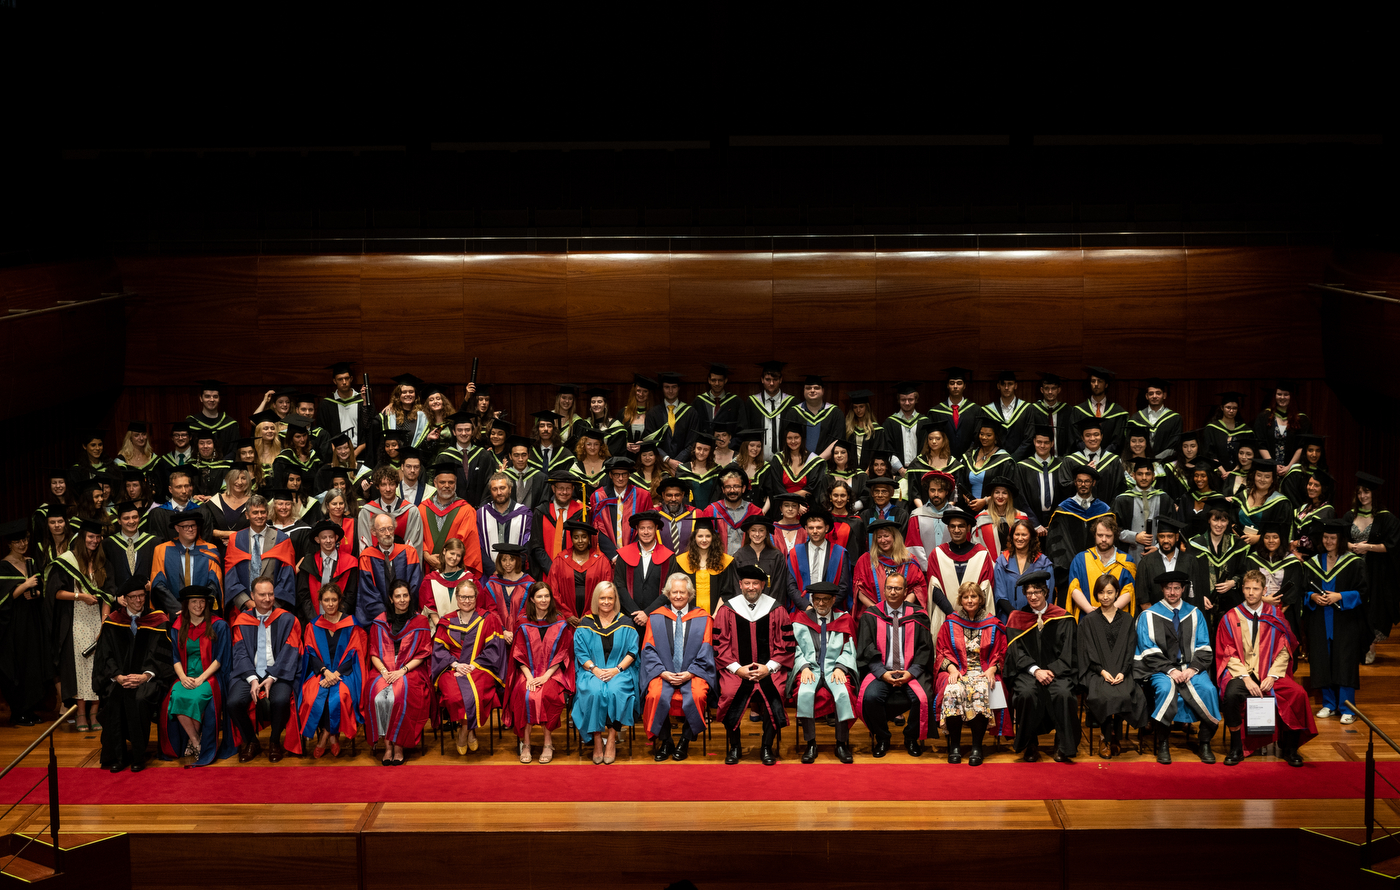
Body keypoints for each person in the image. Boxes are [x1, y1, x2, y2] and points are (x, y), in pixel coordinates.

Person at [1214, 570, 1316, 767]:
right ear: (1242, 589)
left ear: (1264, 590)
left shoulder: (1275, 615)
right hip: (1241, 674)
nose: (1251, 593)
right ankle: (1236, 747)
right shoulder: (1230, 617)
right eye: (1247, 588)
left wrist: (1272, 675)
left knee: (1298, 693)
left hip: (1270, 673)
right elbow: (1228, 651)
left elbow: (1285, 648)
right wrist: (1245, 678)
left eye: (1256, 589)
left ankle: (1290, 748)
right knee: (1232, 694)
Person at [1134, 570, 1222, 764]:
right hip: (1161, 670)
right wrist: (1171, 670)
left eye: (1176, 588)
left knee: (1208, 689)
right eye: (1168, 588)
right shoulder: (1148, 615)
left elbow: (1204, 646)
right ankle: (1163, 743)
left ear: (1183, 589)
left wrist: (1192, 669)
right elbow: (1147, 649)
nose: (1172, 592)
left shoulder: (1195, 613)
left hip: (1191, 667)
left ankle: (1205, 742)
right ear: (1162, 589)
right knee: (1165, 688)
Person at [713, 564, 793, 765]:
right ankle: (735, 746)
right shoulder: (727, 609)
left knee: (775, 691)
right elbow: (720, 645)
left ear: (763, 585)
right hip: (736, 671)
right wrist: (737, 669)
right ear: (740, 584)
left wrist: (769, 668)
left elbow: (786, 645)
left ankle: (766, 746)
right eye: (747, 583)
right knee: (730, 694)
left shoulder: (777, 609)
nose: (751, 587)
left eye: (755, 583)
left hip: (769, 670)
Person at [93, 580, 172, 772]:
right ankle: (117, 757)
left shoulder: (157, 620)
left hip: (148, 679)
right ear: (124, 600)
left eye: (141, 596)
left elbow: (162, 654)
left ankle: (138, 756)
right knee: (114, 699)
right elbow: (105, 655)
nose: (138, 600)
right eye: (133, 597)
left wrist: (145, 676)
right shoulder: (113, 621)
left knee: (139, 699)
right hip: (119, 679)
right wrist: (117, 676)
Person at [854, 572, 934, 757]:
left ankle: (911, 738)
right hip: (881, 671)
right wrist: (882, 673)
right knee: (870, 697)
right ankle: (883, 738)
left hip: (911, 671)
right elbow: (866, 648)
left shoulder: (918, 615)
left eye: (897, 588)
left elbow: (925, 649)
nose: (893, 592)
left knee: (924, 698)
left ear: (905, 591)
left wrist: (912, 672)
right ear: (884, 590)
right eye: (889, 588)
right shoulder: (871, 616)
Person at [47, 519, 114, 731]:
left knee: (97, 667)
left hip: (97, 620)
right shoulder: (69, 561)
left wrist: (105, 621)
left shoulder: (104, 562)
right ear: (82, 538)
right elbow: (55, 593)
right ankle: (81, 714)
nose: (94, 540)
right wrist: (80, 596)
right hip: (75, 622)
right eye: (90, 537)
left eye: (97, 537)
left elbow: (109, 594)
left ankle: (95, 713)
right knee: (78, 668)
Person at [1004, 571, 1079, 762]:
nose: (1033, 596)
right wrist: (1035, 670)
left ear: (1046, 592)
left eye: (1037, 591)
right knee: (1026, 693)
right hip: (1028, 673)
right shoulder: (1017, 618)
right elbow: (1015, 654)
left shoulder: (1063, 618)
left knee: (1063, 693)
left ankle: (1062, 744)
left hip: (1058, 672)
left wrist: (1051, 671)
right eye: (1029, 593)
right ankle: (1030, 744)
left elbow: (1068, 652)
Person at [640, 573, 716, 761]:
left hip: (693, 673)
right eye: (674, 592)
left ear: (690, 594)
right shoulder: (656, 617)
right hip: (663, 672)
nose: (678, 596)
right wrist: (663, 672)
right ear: (668, 593)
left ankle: (684, 740)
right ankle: (666, 741)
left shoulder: (703, 618)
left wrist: (690, 673)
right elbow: (648, 650)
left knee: (698, 694)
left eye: (682, 592)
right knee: (654, 695)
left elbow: (706, 650)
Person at [228, 578, 304, 762]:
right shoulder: (242, 620)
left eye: (270, 594)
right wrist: (252, 679)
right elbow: (239, 652)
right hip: (249, 672)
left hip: (278, 672)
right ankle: (251, 741)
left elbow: (291, 649)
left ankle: (274, 741)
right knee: (233, 702)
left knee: (280, 700)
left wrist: (273, 676)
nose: (267, 598)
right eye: (262, 594)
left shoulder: (287, 619)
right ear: (252, 596)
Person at [933, 581, 1008, 766]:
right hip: (957, 670)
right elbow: (941, 651)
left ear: (981, 599)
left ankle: (977, 746)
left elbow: (1002, 652)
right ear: (960, 600)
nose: (970, 600)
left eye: (973, 596)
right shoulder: (951, 622)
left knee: (982, 690)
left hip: (983, 672)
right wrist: (951, 668)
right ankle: (956, 746)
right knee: (952, 690)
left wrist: (992, 668)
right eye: (965, 597)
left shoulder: (993, 624)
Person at [159, 585, 235, 766]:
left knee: (195, 698)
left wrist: (202, 679)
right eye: (194, 602)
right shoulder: (177, 627)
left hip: (209, 676)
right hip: (186, 675)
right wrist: (183, 678)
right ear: (186, 604)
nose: (199, 605)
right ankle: (196, 741)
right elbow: (175, 658)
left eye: (202, 601)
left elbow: (220, 659)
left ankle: (195, 744)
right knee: (175, 696)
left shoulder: (219, 625)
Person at [431, 578, 506, 755]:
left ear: (476, 597)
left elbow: (494, 650)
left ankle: (464, 732)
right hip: (451, 668)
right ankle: (470, 731)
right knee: (454, 697)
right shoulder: (446, 621)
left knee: (475, 695)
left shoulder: (488, 620)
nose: (466, 601)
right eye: (463, 597)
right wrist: (455, 664)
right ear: (456, 598)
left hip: (480, 668)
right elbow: (439, 650)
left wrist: (473, 666)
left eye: (470, 597)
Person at [1305, 518, 1369, 725]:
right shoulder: (1314, 562)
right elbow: (1303, 590)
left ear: (1340, 539)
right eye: (1325, 537)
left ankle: (1347, 707)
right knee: (1323, 660)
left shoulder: (1354, 562)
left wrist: (1339, 596)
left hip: (1345, 621)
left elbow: (1364, 592)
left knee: (1345, 661)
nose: (1328, 541)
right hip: (1319, 621)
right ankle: (1329, 704)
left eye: (1333, 538)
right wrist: (1312, 597)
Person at [1077, 574, 1148, 758]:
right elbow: (1086, 653)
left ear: (1117, 593)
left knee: (1125, 693)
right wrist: (1102, 671)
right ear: (1096, 594)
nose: (1105, 597)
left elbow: (1130, 650)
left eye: (1110, 592)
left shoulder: (1127, 619)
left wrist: (1123, 673)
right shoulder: (1089, 621)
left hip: (1123, 671)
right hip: (1097, 672)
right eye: (1101, 592)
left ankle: (1114, 735)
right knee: (1105, 695)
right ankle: (1105, 737)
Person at [787, 581, 857, 764]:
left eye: (826, 600)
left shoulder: (844, 619)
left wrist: (841, 667)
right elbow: (794, 649)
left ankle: (841, 744)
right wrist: (803, 667)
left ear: (833, 600)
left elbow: (850, 649)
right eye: (817, 599)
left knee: (842, 693)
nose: (821, 604)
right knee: (805, 692)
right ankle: (811, 744)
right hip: (812, 668)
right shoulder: (800, 620)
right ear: (812, 599)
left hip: (835, 668)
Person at [505, 581, 574, 763]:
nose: (543, 600)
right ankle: (526, 743)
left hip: (552, 673)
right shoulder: (522, 622)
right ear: (532, 599)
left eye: (546, 596)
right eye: (539, 596)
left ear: (551, 598)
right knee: (524, 694)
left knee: (547, 695)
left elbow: (563, 654)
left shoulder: (560, 622)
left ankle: (547, 742)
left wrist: (544, 676)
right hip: (527, 672)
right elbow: (518, 653)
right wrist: (529, 677)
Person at [573, 581, 640, 765]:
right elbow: (580, 653)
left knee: (615, 691)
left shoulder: (626, 622)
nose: (606, 602)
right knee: (594, 691)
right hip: (592, 671)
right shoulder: (586, 623)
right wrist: (594, 669)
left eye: (610, 598)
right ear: (596, 599)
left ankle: (611, 737)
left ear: (615, 600)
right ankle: (596, 739)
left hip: (619, 671)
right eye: (602, 598)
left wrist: (616, 670)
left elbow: (632, 652)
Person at [366, 579, 431, 765]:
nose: (402, 600)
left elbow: (423, 653)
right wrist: (385, 671)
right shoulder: (380, 622)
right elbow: (373, 653)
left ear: (410, 597)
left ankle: (399, 744)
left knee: (398, 696)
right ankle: (387, 745)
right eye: (398, 596)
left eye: (405, 595)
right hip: (383, 668)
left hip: (410, 669)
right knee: (377, 697)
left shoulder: (420, 621)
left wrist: (402, 671)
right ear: (391, 598)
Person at [296, 582, 365, 759]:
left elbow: (354, 654)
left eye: (334, 600)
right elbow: (310, 653)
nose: (330, 604)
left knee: (339, 696)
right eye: (326, 600)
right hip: (321, 672)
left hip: (345, 673)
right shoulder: (314, 625)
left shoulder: (351, 624)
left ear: (340, 600)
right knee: (312, 696)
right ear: (320, 601)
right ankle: (333, 736)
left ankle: (325, 736)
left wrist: (336, 674)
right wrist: (326, 672)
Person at [0, 521, 51, 726]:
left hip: (33, 619)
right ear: (9, 544)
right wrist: (25, 586)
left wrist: (36, 591)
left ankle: (29, 709)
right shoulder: (3, 565)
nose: (22, 544)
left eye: (25, 540)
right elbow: (5, 596)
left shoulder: (30, 561)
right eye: (17, 541)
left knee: (33, 663)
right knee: (18, 665)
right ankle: (17, 711)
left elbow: (39, 588)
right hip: (14, 623)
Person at [1344, 473, 1398, 658]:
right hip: (1351, 570)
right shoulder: (1350, 515)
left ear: (1373, 494)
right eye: (1359, 492)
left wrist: (1368, 547)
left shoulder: (1386, 518)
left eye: (1366, 492)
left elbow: (1392, 546)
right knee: (1353, 605)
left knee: (1373, 607)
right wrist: (1351, 546)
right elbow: (1340, 539)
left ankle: (1370, 646)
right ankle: (1354, 644)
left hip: (1375, 571)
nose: (1362, 496)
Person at [225, 496, 297, 613]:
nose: (259, 516)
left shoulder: (282, 540)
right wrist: (247, 603)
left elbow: (287, 578)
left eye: (263, 512)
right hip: (243, 609)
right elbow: (231, 577)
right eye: (255, 512)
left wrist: (270, 605)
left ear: (267, 514)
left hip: (274, 608)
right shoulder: (236, 540)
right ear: (247, 515)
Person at [922, 508, 989, 621]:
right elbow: (934, 588)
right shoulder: (937, 554)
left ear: (968, 528)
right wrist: (951, 613)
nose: (956, 530)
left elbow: (985, 588)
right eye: (952, 526)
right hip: (944, 615)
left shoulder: (981, 554)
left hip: (974, 617)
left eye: (961, 526)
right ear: (948, 528)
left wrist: (969, 613)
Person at [357, 512, 424, 625]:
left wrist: (402, 611)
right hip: (380, 619)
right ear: (374, 532)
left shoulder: (409, 552)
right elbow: (368, 591)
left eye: (390, 528)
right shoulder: (366, 557)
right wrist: (385, 615)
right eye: (382, 530)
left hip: (406, 616)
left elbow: (415, 585)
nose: (387, 533)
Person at [1189, 497, 1249, 623]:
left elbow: (1246, 573)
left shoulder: (1237, 545)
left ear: (1228, 522)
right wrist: (1200, 597)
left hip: (1230, 605)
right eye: (1215, 520)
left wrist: (1233, 582)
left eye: (1223, 520)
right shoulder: (1195, 545)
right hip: (1203, 605)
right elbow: (1190, 576)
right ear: (1209, 520)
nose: (1219, 525)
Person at [1064, 516, 1136, 619]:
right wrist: (1091, 611)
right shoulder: (1081, 559)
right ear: (1094, 535)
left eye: (1108, 536)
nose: (1103, 539)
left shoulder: (1126, 561)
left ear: (1114, 536)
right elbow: (1074, 588)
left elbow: (1129, 590)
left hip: (1116, 618)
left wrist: (1109, 612)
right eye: (1100, 535)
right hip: (1086, 618)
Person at [419, 462, 483, 576]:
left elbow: (468, 543)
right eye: (442, 482)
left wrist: (447, 562)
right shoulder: (422, 508)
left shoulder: (466, 510)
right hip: (427, 570)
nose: (447, 486)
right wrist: (426, 555)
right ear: (435, 483)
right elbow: (417, 537)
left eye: (451, 482)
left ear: (456, 483)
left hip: (456, 572)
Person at [854, 518, 928, 616]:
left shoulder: (908, 560)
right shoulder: (865, 560)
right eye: (879, 537)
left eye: (886, 536)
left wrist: (902, 609)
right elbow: (859, 590)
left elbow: (917, 588)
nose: (883, 540)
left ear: (894, 537)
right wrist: (878, 611)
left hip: (905, 615)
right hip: (874, 616)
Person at [613, 511, 675, 627]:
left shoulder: (668, 557)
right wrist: (636, 615)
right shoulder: (624, 554)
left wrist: (647, 613)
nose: (646, 532)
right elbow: (619, 585)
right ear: (637, 529)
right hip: (629, 618)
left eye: (650, 528)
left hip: (658, 618)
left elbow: (670, 589)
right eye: (642, 528)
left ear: (656, 528)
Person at [782, 508, 850, 613]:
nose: (815, 531)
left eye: (819, 528)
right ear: (806, 528)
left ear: (826, 528)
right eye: (811, 528)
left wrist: (826, 607)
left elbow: (843, 586)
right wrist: (806, 606)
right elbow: (791, 586)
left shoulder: (839, 553)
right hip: (802, 610)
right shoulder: (795, 553)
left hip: (831, 611)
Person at [1136, 517, 1209, 613]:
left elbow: (1196, 596)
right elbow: (1143, 599)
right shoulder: (1146, 562)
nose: (1166, 540)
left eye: (1170, 536)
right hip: (1156, 619)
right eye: (1162, 536)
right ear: (1158, 537)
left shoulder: (1190, 561)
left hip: (1184, 617)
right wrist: (1159, 618)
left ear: (1177, 537)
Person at [544, 521, 613, 622]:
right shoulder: (560, 560)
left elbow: (606, 590)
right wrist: (567, 614)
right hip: (565, 617)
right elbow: (553, 589)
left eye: (584, 537)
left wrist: (590, 614)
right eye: (576, 537)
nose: (580, 541)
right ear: (571, 539)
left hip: (595, 616)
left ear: (589, 538)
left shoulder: (601, 561)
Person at [665, 516, 734, 614]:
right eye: (700, 536)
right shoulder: (681, 561)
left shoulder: (725, 561)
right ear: (694, 538)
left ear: (713, 537)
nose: (704, 540)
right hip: (688, 615)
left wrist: (716, 615)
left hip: (716, 614)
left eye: (708, 536)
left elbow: (727, 592)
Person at [1112, 458, 1176, 564]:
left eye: (1148, 474)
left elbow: (1172, 530)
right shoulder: (1122, 500)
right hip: (1129, 555)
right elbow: (1113, 530)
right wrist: (1135, 537)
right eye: (1140, 474)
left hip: (1159, 555)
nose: (1144, 478)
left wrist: (1158, 547)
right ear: (1133, 475)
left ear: (1153, 476)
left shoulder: (1165, 499)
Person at [297, 519, 359, 628]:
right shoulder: (308, 562)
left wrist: (337, 618)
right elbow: (303, 594)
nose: (328, 540)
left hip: (341, 621)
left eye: (331, 537)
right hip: (312, 620)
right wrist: (313, 620)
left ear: (336, 538)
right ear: (317, 540)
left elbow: (351, 594)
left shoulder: (350, 562)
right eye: (324, 537)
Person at [590, 456, 653, 560]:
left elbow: (648, 526)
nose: (620, 478)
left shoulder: (642, 496)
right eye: (616, 474)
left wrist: (631, 552)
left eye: (624, 474)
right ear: (610, 475)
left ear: (629, 475)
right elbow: (596, 529)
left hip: (636, 555)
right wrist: (613, 556)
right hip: (606, 557)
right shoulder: (598, 497)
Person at [992, 519, 1056, 621]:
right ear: (1012, 537)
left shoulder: (1043, 563)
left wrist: (1028, 617)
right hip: (1008, 620)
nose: (1020, 538)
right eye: (1017, 534)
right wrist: (1015, 616)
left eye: (1024, 535)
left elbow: (1047, 595)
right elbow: (1000, 595)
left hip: (1036, 619)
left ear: (1031, 537)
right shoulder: (1002, 562)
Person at [529, 471, 587, 575]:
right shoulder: (541, 511)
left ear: (573, 489)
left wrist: (570, 571)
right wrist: (552, 570)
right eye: (560, 488)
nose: (564, 492)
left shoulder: (582, 512)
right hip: (546, 572)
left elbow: (585, 544)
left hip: (574, 573)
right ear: (553, 488)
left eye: (568, 488)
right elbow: (536, 545)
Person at [356, 465, 424, 553]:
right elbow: (365, 546)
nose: (388, 489)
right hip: (376, 563)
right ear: (377, 486)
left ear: (396, 485)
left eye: (391, 484)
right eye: (383, 485)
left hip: (404, 563)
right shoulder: (367, 512)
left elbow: (414, 546)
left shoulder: (411, 511)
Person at [696, 466, 764, 555]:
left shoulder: (755, 512)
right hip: (718, 562)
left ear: (743, 488)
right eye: (728, 487)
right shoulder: (711, 511)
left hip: (747, 563)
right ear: (723, 490)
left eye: (736, 486)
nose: (732, 490)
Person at [477, 472, 533, 576]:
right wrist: (493, 569)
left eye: (502, 488)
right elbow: (478, 546)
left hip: (517, 574)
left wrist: (514, 568)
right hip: (490, 575)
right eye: (495, 489)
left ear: (510, 489)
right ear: (490, 491)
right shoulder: (481, 514)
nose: (499, 492)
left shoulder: (525, 514)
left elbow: (527, 546)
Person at [1014, 424, 1067, 536]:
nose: (1042, 445)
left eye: (1046, 442)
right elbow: (1020, 497)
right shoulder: (1022, 467)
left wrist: (1056, 520)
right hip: (1031, 522)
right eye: (1039, 442)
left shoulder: (1062, 465)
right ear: (1034, 442)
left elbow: (1066, 495)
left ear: (1052, 443)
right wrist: (1035, 523)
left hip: (1057, 521)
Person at [1059, 416, 1126, 503]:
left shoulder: (1113, 461)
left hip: (1106, 512)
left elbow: (1119, 489)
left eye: (1096, 434)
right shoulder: (1070, 461)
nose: (1092, 438)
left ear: (1101, 436)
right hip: (1078, 512)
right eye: (1088, 435)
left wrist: (1110, 512)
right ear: (1082, 438)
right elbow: (1064, 488)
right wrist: (1083, 474)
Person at [1251, 380, 1311, 475]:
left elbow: (1302, 445)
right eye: (1279, 394)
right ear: (1275, 395)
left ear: (1291, 396)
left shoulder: (1302, 419)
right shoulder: (1264, 417)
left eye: (1286, 394)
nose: (1282, 397)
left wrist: (1289, 467)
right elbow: (1260, 443)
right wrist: (1273, 464)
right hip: (1268, 470)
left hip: (1293, 470)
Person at [417, 537, 478, 629]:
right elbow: (429, 607)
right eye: (452, 553)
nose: (454, 558)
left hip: (466, 630)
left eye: (458, 555)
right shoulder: (431, 580)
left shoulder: (470, 579)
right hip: (438, 630)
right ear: (444, 551)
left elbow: (478, 607)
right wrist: (440, 627)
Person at [742, 360, 797, 461]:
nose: (771, 383)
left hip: (785, 460)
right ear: (762, 380)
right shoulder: (752, 403)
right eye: (768, 379)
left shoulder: (791, 403)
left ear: (781, 380)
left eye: (775, 379)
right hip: (757, 460)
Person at [955, 417, 1014, 512]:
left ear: (996, 437)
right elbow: (961, 482)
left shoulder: (1004, 460)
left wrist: (985, 501)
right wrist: (965, 497)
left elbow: (1008, 489)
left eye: (989, 435)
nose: (984, 438)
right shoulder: (970, 455)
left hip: (993, 511)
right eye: (981, 434)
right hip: (968, 508)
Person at [765, 422, 828, 508]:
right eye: (789, 438)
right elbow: (777, 486)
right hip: (783, 506)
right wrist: (793, 503)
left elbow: (812, 488)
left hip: (806, 506)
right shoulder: (778, 460)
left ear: (802, 438)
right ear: (785, 440)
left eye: (796, 437)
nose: (793, 441)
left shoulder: (813, 461)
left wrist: (797, 503)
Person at [645, 372, 699, 470]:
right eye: (667, 387)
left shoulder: (690, 412)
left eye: (674, 387)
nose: (670, 391)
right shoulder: (652, 413)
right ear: (662, 389)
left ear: (678, 388)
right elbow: (651, 441)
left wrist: (678, 462)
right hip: (659, 466)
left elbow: (692, 441)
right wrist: (667, 460)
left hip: (684, 465)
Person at [905, 470, 956, 571]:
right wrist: (928, 569)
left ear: (946, 492)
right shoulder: (917, 515)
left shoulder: (958, 515)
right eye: (932, 490)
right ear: (927, 490)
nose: (936, 494)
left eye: (940, 490)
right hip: (923, 572)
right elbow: (913, 546)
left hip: (952, 569)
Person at [730, 514, 786, 602]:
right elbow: (736, 586)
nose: (757, 534)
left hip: (770, 608)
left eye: (761, 530)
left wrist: (769, 606)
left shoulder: (777, 556)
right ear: (748, 532)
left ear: (766, 532)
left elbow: (779, 586)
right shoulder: (739, 556)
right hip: (744, 608)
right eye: (753, 530)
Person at [1072, 366, 1128, 455]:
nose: (1096, 384)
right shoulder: (1078, 411)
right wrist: (1089, 454)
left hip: (1109, 460)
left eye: (1100, 381)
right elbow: (1076, 437)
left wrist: (1103, 456)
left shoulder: (1117, 412)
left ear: (1106, 385)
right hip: (1084, 459)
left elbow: (1117, 440)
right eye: (1093, 381)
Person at [928, 366, 982, 456]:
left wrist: (967, 456)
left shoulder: (975, 410)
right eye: (952, 383)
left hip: (969, 459)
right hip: (942, 459)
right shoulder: (936, 412)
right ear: (947, 386)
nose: (955, 386)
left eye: (959, 383)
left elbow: (977, 438)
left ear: (964, 386)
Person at [483, 543, 535, 634]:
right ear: (499, 561)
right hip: (497, 633)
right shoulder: (492, 584)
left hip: (522, 633)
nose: (507, 564)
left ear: (517, 560)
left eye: (512, 560)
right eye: (504, 560)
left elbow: (528, 611)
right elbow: (490, 610)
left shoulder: (528, 584)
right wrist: (503, 630)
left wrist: (516, 631)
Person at [1236, 464, 1292, 547]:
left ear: (1273, 479)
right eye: (1259, 475)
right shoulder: (1241, 496)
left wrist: (1259, 538)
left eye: (1267, 477)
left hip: (1264, 549)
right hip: (1238, 544)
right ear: (1254, 476)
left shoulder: (1280, 503)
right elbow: (1231, 519)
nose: (1262, 479)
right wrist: (1237, 533)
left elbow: (1282, 531)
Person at [984, 370, 1034, 460]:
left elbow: (1029, 438)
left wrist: (1013, 458)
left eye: (1010, 384)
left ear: (1015, 385)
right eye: (1003, 384)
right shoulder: (988, 411)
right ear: (998, 386)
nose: (1006, 387)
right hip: (995, 461)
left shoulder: (1026, 409)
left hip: (1021, 462)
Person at [972, 476, 1029, 554]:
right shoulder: (982, 518)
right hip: (990, 562)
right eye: (997, 492)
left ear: (1009, 496)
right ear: (992, 495)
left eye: (1004, 493)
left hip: (1015, 561)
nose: (1000, 496)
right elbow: (977, 544)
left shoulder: (1021, 517)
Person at [882, 381, 930, 469]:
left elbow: (927, 448)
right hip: (897, 472)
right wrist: (900, 469)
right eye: (903, 400)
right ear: (898, 400)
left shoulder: (924, 422)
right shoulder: (890, 423)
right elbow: (888, 449)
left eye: (910, 399)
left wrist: (919, 466)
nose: (907, 403)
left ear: (916, 400)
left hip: (920, 469)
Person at [187, 379, 239, 458]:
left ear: (219, 399)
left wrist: (221, 466)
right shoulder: (191, 423)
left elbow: (234, 449)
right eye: (207, 396)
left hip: (224, 467)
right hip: (196, 467)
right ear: (201, 398)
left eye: (215, 396)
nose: (211, 400)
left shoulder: (230, 424)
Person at [1029, 372, 1074, 456]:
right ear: (1042, 390)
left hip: (1062, 459)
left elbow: (1071, 439)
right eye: (1047, 388)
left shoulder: (1068, 411)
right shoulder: (1033, 410)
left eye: (1053, 388)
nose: (1050, 392)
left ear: (1059, 390)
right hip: (1039, 459)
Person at [676, 433, 722, 510]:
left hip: (712, 513)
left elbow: (718, 495)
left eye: (706, 450)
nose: (701, 453)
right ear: (694, 449)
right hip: (688, 514)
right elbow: (680, 494)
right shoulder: (682, 470)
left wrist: (710, 510)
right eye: (699, 448)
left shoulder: (717, 471)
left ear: (710, 452)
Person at [1280, 434, 1329, 506]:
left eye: (1318, 451)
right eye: (1310, 450)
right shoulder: (1295, 472)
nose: (1314, 454)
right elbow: (1291, 496)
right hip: (1297, 513)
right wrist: (1303, 512)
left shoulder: (1324, 473)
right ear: (1305, 452)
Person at [654, 477, 697, 555]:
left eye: (677, 495)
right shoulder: (653, 515)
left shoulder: (695, 514)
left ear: (683, 495)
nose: (673, 499)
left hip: (689, 564)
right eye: (669, 495)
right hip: (661, 564)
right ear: (663, 495)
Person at [1202, 391, 1247, 467]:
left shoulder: (1245, 430)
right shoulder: (1212, 429)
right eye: (1228, 407)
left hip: (1238, 471)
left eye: (1235, 408)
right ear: (1222, 408)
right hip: (1216, 472)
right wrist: (1221, 470)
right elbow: (1207, 452)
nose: (1231, 411)